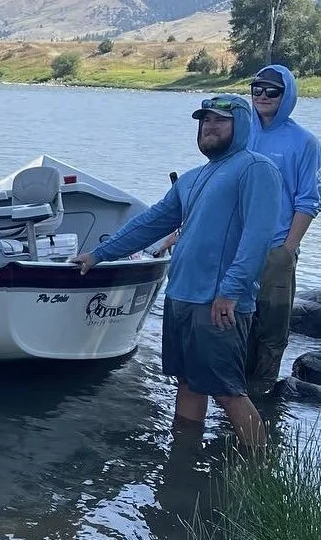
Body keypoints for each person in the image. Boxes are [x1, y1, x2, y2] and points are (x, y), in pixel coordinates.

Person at [72, 95, 280, 448]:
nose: (209, 126)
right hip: (181, 296)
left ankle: (261, 468)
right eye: (204, 121)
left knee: (228, 391)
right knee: (186, 382)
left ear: (241, 125)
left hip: (219, 302)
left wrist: (230, 291)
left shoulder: (256, 168)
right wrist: (99, 254)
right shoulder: (191, 178)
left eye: (220, 120)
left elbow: (257, 238)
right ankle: (183, 463)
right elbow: (150, 223)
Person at [244, 65, 321, 397]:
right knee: (233, 320)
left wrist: (287, 249)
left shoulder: (304, 142)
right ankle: (232, 393)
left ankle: (262, 395)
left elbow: (308, 200)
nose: (262, 95)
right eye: (257, 88)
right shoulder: (239, 130)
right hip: (236, 247)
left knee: (272, 327)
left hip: (276, 247)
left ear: (286, 95)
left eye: (272, 91)